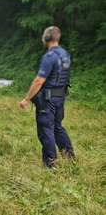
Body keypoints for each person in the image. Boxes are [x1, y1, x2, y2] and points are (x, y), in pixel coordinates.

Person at [20, 26, 75, 168]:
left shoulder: (49, 57)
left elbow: (39, 81)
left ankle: (50, 163)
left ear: (48, 38)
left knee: (46, 130)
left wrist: (27, 99)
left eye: (44, 36)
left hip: (48, 100)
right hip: (60, 97)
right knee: (57, 127)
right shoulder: (65, 54)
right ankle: (69, 157)